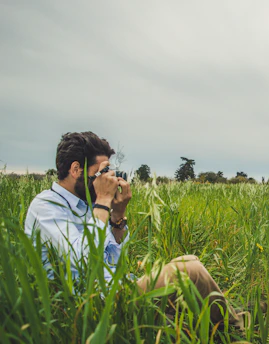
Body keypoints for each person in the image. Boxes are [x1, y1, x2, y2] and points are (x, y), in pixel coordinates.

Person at [24, 131, 245, 330]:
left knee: (188, 260)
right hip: (90, 308)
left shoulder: (87, 205)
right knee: (190, 271)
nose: (107, 179)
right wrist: (102, 202)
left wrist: (117, 215)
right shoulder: (46, 207)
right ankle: (235, 329)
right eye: (101, 172)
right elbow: (86, 263)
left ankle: (221, 321)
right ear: (75, 170)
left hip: (116, 290)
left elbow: (114, 262)